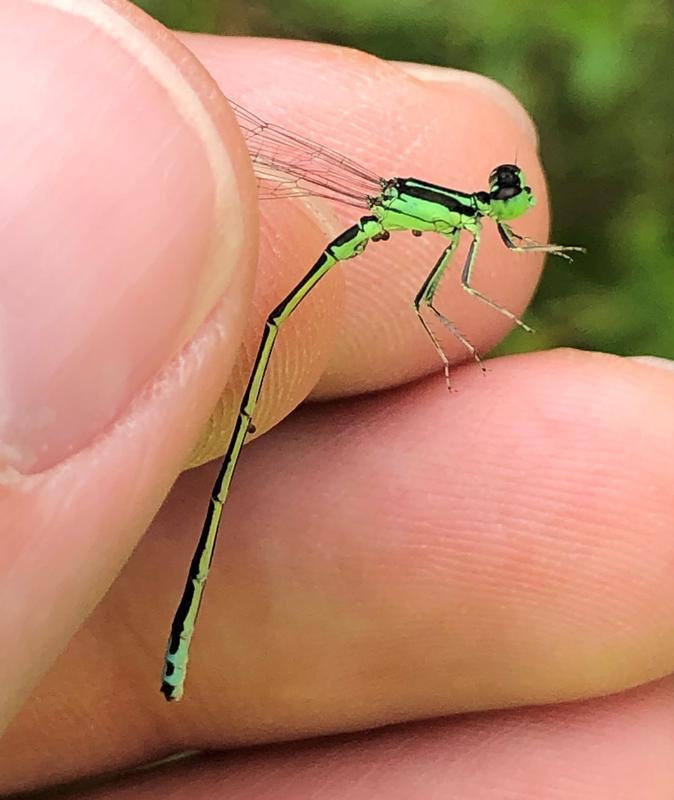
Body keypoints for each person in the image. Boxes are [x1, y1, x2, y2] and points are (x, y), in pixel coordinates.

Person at [1, 2, 673, 796]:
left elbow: (474, 265)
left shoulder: (465, 218)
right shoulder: (459, 222)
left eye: (503, 193)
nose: (503, 201)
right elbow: (438, 299)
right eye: (500, 195)